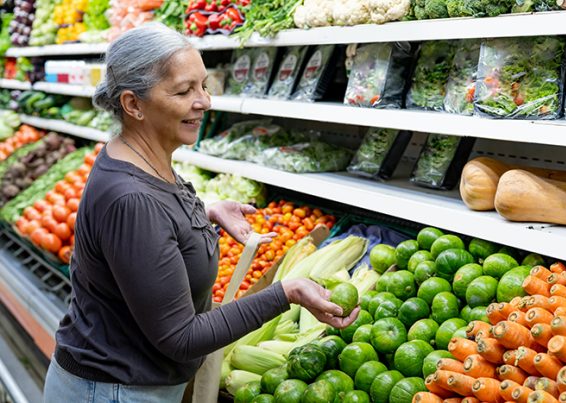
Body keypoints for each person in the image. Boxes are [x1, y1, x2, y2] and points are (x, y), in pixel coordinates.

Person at [42, 22, 359, 403]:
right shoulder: (131, 199)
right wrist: (285, 292)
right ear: (133, 104)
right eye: (184, 91)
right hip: (113, 391)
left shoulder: (141, 155)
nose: (205, 101)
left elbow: (150, 221)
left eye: (204, 85)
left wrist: (204, 212)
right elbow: (181, 337)